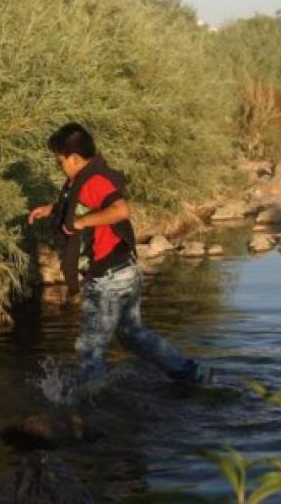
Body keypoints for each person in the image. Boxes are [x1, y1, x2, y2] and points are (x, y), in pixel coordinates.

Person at [28, 122, 210, 388]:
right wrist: (51, 209)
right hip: (126, 271)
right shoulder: (84, 178)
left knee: (90, 346)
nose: (60, 166)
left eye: (60, 161)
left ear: (75, 158)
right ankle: (188, 372)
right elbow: (77, 204)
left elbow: (120, 210)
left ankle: (88, 403)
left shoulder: (94, 181)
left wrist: (81, 223)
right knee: (131, 334)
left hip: (109, 279)